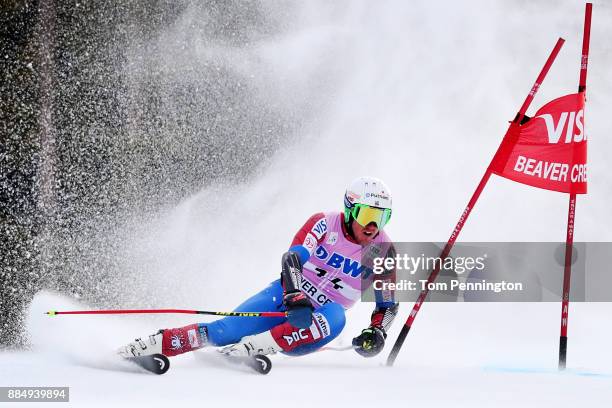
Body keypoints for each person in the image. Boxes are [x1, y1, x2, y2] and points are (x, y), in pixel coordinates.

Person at [118, 176, 399, 359]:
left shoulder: (383, 251)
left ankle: (258, 347)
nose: (374, 226)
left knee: (337, 315)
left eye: (382, 217)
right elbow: (292, 259)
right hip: (287, 298)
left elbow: (387, 306)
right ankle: (159, 344)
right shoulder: (324, 223)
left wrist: (377, 332)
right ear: (350, 210)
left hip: (314, 323)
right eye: (368, 215)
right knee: (224, 330)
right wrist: (293, 294)